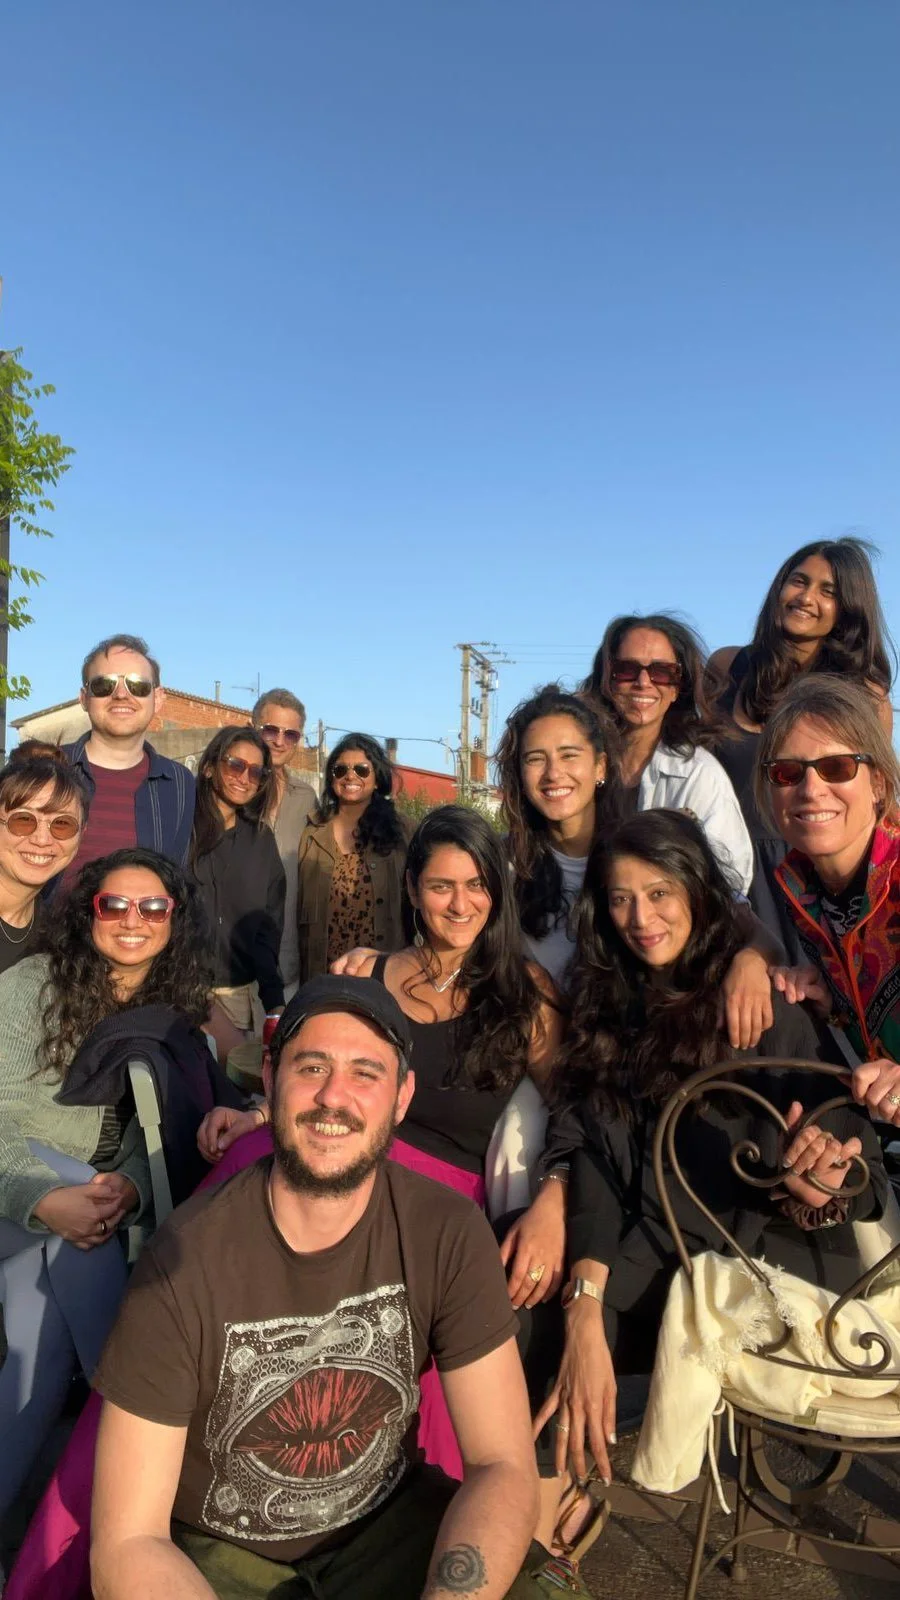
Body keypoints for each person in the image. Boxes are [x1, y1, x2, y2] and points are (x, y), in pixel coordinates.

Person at [90, 976, 548, 1600]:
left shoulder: (445, 1230)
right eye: (312, 1067)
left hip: (388, 1527)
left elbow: (503, 1464)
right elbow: (128, 1542)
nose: (334, 1096)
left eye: (365, 1073)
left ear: (402, 1097)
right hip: (225, 1553)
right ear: (271, 1080)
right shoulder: (183, 1263)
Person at [196, 808, 569, 1478]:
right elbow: (321, 1078)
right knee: (238, 1181)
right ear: (414, 891)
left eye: (476, 885)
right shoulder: (365, 976)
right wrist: (261, 1113)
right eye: (441, 885)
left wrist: (554, 1201)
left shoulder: (524, 991)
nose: (460, 904)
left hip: (431, 1206)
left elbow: (575, 1108)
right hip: (337, 1162)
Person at [533, 810, 886, 1493]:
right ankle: (540, 1501)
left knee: (530, 1335)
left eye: (660, 893)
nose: (641, 918)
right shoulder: (613, 1003)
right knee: (522, 1299)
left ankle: (550, 1504)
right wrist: (585, 1296)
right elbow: (597, 1154)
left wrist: (822, 1182)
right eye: (621, 898)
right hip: (658, 1246)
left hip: (767, 1270)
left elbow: (859, 1176)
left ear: (697, 889)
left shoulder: (766, 1005)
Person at [0, 846, 212, 1519]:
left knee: (39, 1336)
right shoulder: (34, 986)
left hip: (83, 1206)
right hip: (14, 1185)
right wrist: (44, 1197)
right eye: (113, 904)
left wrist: (129, 1187)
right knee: (79, 1262)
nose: (132, 920)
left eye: (153, 907)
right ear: (88, 912)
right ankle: (156, 1478)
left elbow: (167, 1134)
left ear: (174, 919)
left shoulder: (173, 1011)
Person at [495, 684, 775, 1049]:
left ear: (599, 765)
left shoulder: (640, 847)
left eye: (569, 755)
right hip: (544, 1053)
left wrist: (752, 962)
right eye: (535, 759)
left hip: (635, 1052)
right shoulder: (502, 865)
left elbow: (745, 924)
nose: (553, 773)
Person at [708, 538, 895, 953]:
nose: (806, 597)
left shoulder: (865, 695)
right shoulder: (726, 666)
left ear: (848, 609)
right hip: (724, 876)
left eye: (828, 591)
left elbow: (878, 801)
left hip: (813, 882)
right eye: (798, 581)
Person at [756, 673, 900, 1127]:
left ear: (879, 783)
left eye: (837, 767)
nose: (811, 789)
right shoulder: (804, 892)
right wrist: (834, 1006)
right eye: (788, 772)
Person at [581, 613, 752, 892]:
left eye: (662, 672)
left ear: (677, 688)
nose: (643, 682)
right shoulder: (577, 762)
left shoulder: (699, 774)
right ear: (607, 679)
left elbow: (730, 879)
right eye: (626, 669)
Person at [61, 633, 196, 885]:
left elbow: (175, 882)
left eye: (138, 686)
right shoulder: (51, 768)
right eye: (104, 685)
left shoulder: (179, 783)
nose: (121, 694)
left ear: (158, 699)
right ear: (84, 698)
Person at [190, 726, 286, 1060]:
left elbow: (266, 929)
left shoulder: (261, 841)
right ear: (209, 767)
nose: (244, 778)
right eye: (235, 765)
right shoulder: (180, 829)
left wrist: (275, 1003)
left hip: (238, 1000)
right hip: (178, 992)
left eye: (256, 772)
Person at [296, 732, 411, 984]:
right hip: (323, 975)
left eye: (361, 769)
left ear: (377, 779)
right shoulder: (311, 832)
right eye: (341, 770)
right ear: (331, 778)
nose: (350, 776)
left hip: (380, 974)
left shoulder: (403, 832)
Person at [252, 688, 317, 999]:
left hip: (287, 965)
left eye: (290, 734)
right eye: (270, 730)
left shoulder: (306, 798)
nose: (279, 741)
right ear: (253, 728)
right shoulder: (231, 789)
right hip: (231, 970)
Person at [0, 745, 88, 975]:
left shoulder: (55, 938)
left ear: (82, 833)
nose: (41, 839)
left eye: (62, 824)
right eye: (23, 820)